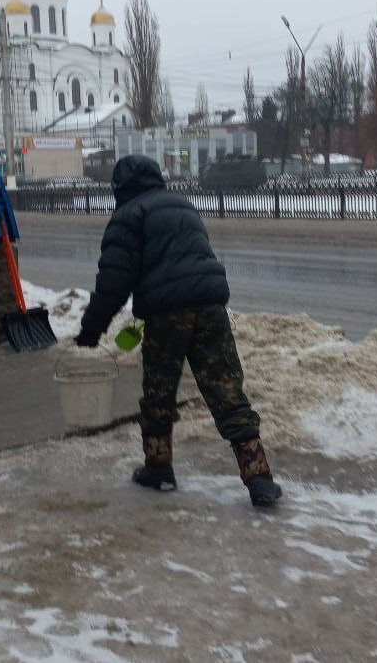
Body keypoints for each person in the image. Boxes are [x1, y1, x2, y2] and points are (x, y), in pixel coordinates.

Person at [75, 154, 282, 508]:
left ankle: (158, 468)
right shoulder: (182, 204)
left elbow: (113, 281)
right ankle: (259, 478)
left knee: (159, 392)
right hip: (211, 306)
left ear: (120, 187)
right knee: (226, 391)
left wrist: (92, 329)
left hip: (168, 314)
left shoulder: (127, 216)